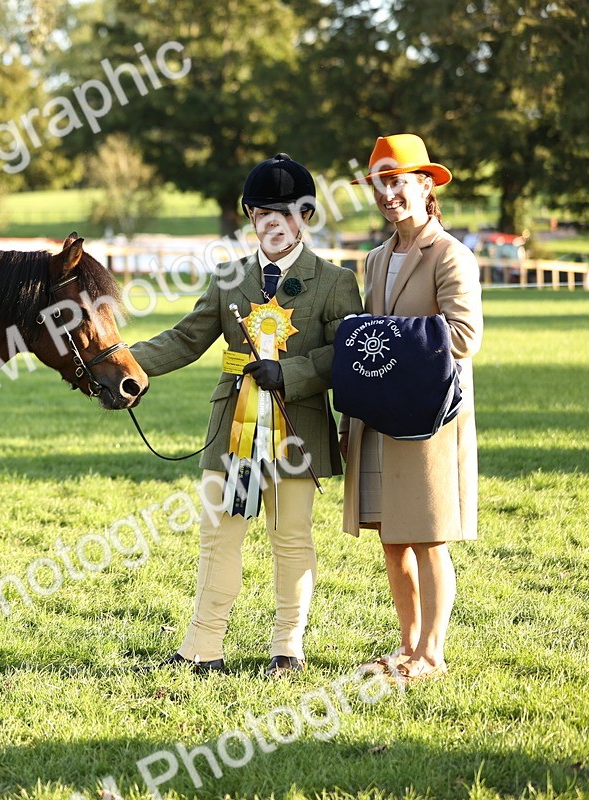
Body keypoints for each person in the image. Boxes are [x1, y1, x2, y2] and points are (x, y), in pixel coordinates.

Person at [131, 154, 362, 678]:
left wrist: (294, 373)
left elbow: (346, 351)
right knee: (219, 533)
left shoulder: (334, 281)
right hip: (233, 425)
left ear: (305, 216)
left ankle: (288, 647)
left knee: (292, 536)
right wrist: (123, 361)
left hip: (296, 425)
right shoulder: (229, 277)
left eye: (283, 213)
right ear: (250, 217)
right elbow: (186, 338)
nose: (271, 223)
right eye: (260, 213)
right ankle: (202, 647)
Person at [339, 134, 483, 682]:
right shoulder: (375, 259)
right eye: (379, 183)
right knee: (392, 536)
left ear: (425, 186)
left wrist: (387, 340)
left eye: (397, 182)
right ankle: (406, 646)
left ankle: (432, 653)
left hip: (430, 418)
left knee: (428, 535)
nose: (387, 194)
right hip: (380, 415)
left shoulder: (451, 254)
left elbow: (465, 336)